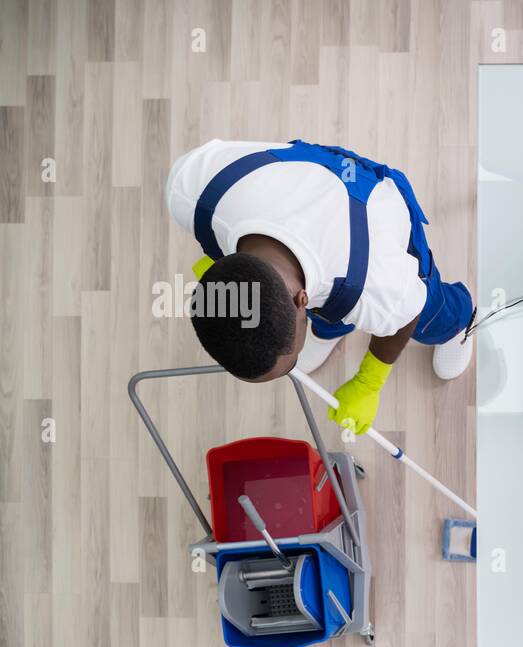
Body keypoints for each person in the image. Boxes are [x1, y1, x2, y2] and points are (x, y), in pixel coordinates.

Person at [165, 138, 475, 435]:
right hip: (304, 184)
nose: (292, 367)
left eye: (291, 361)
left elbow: (407, 313)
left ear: (303, 300)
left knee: (429, 312)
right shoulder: (192, 191)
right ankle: (331, 328)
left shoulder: (380, 283)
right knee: (334, 308)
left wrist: (370, 382)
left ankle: (460, 321)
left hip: (372, 208)